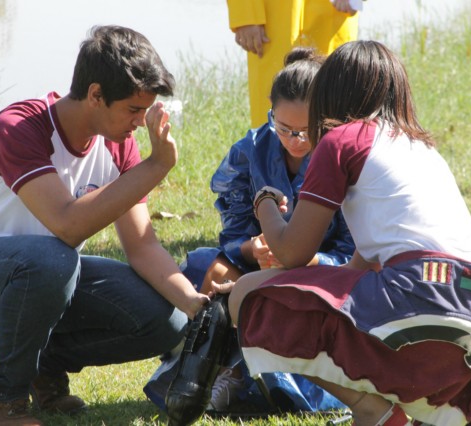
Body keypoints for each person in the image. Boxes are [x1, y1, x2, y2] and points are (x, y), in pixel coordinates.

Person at [214, 40, 471, 426]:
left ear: (330, 92)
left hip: (423, 289)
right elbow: (362, 264)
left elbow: (291, 254)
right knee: (343, 300)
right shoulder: (420, 146)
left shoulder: (342, 140)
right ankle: (431, 412)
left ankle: (374, 409)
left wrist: (264, 203)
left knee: (245, 294)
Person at [0, 25, 208, 426]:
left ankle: (41, 364)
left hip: (47, 276)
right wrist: (156, 166)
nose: (139, 122)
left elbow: (142, 247)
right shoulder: (19, 128)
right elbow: (67, 225)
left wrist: (193, 305)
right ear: (95, 94)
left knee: (163, 319)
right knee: (54, 258)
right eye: (133, 110)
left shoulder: (118, 140)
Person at [145, 46, 355, 415]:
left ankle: (261, 382)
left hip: (325, 275)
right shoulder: (251, 150)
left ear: (326, 120)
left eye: (306, 131)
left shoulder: (342, 157)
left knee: (277, 297)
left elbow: (354, 246)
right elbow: (235, 224)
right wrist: (251, 249)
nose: (295, 140)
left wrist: (308, 258)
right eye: (284, 128)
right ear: (270, 113)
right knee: (204, 268)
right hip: (258, 264)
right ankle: (218, 372)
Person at [227, 0, 360, 128]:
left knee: (333, 107)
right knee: (272, 114)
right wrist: (246, 13)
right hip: (274, 18)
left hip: (332, 13)